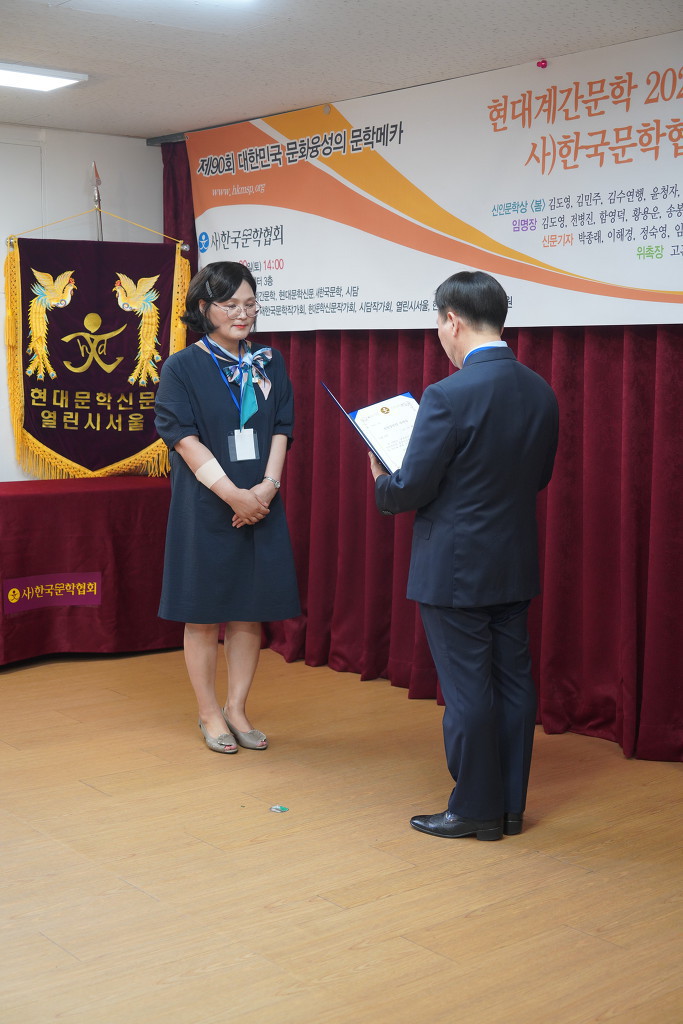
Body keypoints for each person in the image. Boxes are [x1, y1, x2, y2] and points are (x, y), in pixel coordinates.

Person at [370, 270, 558, 841]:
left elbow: (411, 488)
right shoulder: (540, 389)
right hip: (514, 560)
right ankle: (509, 808)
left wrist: (381, 478)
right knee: (514, 684)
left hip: (454, 567)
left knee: (468, 690)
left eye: (437, 323)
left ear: (452, 320)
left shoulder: (447, 395)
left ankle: (475, 809)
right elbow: (539, 477)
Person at [155, 261, 300, 754]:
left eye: (250, 304)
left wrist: (266, 488)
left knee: (247, 611)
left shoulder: (269, 362)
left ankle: (237, 707)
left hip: (260, 502)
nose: (243, 314)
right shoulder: (181, 367)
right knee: (202, 614)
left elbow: (282, 427)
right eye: (231, 304)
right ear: (204, 307)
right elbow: (182, 438)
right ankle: (208, 712)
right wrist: (234, 495)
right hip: (206, 503)